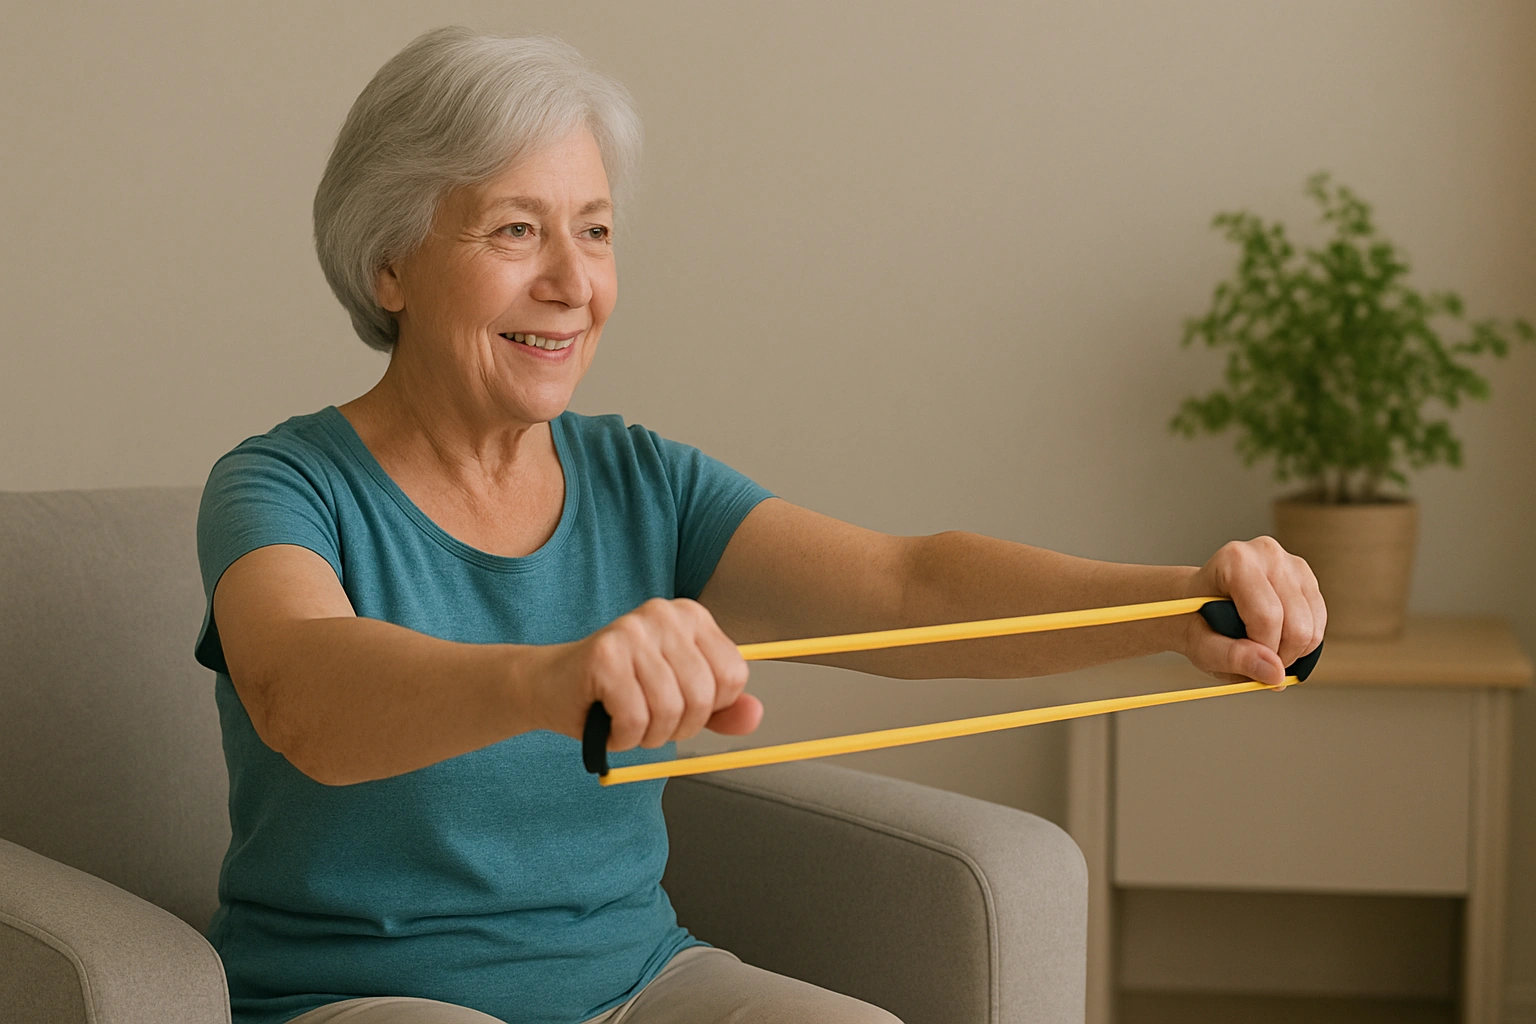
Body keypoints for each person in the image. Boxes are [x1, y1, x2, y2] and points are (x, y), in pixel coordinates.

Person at [194, 26, 1326, 1024]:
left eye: (593, 231)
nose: (571, 283)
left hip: (639, 981)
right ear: (388, 261)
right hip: (361, 997)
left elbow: (909, 590)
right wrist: (549, 678)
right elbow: (305, 691)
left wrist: (1180, 607)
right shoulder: (284, 485)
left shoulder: (645, 482)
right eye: (513, 231)